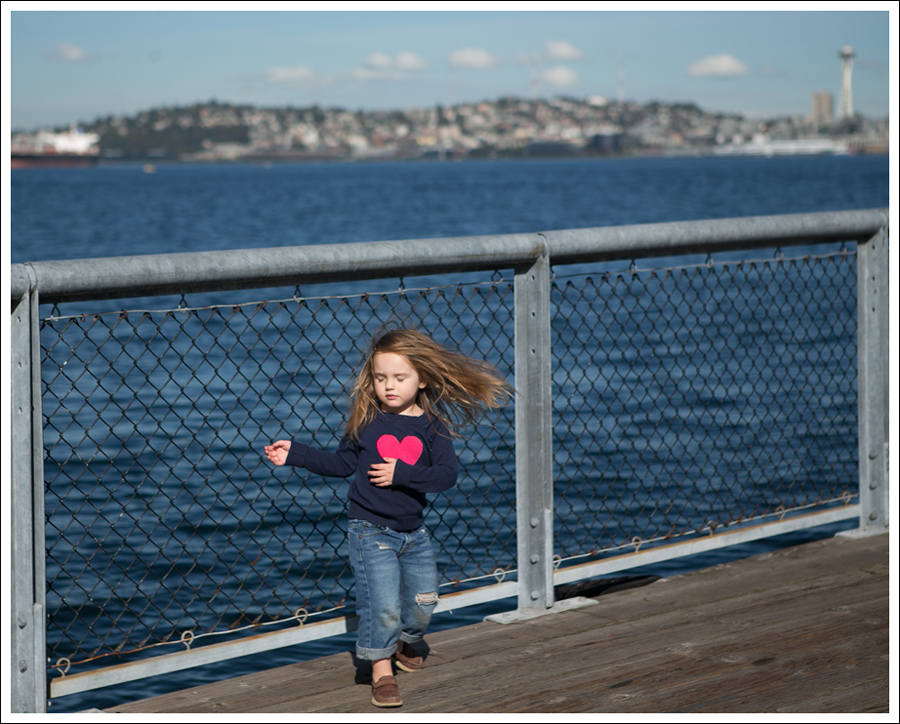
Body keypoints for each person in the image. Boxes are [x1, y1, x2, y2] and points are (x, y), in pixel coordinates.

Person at [264, 327, 512, 708]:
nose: (388, 386)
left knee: (424, 603)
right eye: (381, 378)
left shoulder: (432, 427)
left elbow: (446, 476)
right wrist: (295, 453)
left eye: (400, 378)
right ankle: (380, 670)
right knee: (380, 606)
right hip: (368, 530)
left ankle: (403, 640)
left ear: (423, 378)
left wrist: (402, 474)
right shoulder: (366, 420)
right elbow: (341, 463)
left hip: (414, 533)